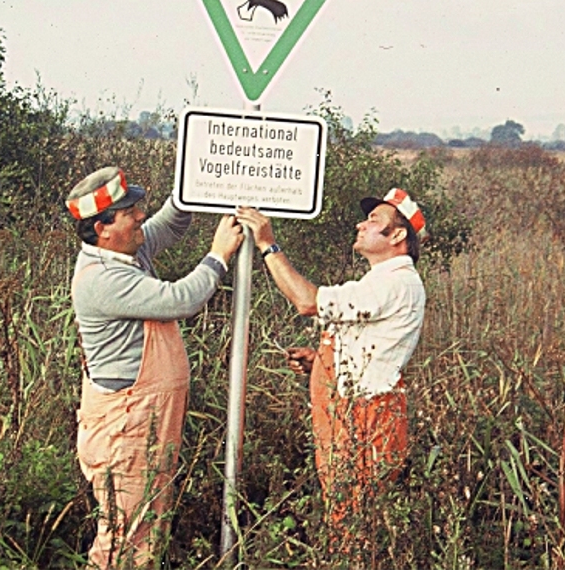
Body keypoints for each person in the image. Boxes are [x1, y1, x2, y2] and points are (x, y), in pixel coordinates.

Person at [67, 166, 243, 569]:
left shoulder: (124, 252)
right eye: (131, 213)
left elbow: (169, 224)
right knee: (125, 537)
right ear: (103, 228)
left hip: (143, 420)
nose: (141, 216)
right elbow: (181, 299)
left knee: (145, 527)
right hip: (125, 428)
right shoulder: (101, 279)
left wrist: (195, 183)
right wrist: (219, 255)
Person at [235, 188, 427, 536]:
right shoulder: (382, 280)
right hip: (353, 411)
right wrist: (322, 362)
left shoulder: (395, 283)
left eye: (373, 220)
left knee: (352, 521)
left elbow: (307, 302)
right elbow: (370, 346)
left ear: (398, 235)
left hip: (367, 417)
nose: (361, 225)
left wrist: (268, 244)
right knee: (344, 514)